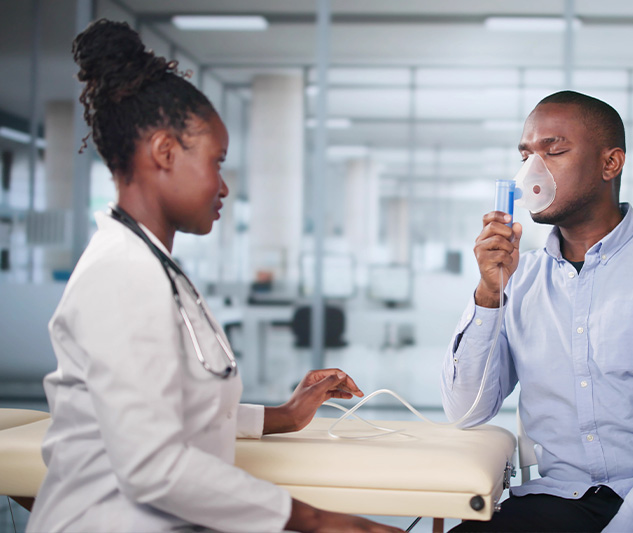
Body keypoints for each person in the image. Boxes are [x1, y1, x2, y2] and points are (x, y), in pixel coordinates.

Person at [27, 19, 402, 533]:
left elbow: (171, 409)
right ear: (164, 152)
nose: (224, 187)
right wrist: (316, 521)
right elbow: (153, 466)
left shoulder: (154, 265)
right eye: (216, 162)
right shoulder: (122, 273)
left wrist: (283, 416)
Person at [440, 90, 633, 532]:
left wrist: (628, 525)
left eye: (555, 150)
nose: (533, 170)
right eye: (526, 154)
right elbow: (466, 410)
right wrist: (489, 294)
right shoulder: (518, 280)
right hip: (562, 497)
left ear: (611, 164)